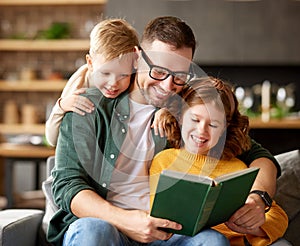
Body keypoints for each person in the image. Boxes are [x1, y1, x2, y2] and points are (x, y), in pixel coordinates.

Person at [48, 16, 281, 246]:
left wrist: (258, 199)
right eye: (158, 71)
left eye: (179, 76)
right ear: (137, 57)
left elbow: (259, 156)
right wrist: (127, 221)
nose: (168, 86)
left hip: (166, 233)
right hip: (106, 226)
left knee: (212, 240)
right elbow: (67, 184)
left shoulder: (189, 109)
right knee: (93, 229)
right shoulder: (88, 106)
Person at [149, 77, 288, 245]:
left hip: (231, 241)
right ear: (179, 117)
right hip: (178, 240)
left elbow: (277, 215)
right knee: (213, 239)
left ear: (224, 128)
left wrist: (253, 225)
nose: (201, 131)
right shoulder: (163, 160)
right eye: (195, 119)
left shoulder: (238, 168)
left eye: (213, 125)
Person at [45, 18, 140, 146]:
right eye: (105, 73)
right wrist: (61, 106)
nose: (113, 83)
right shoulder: (80, 82)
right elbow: (52, 140)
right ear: (90, 63)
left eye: (123, 75)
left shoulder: (137, 78)